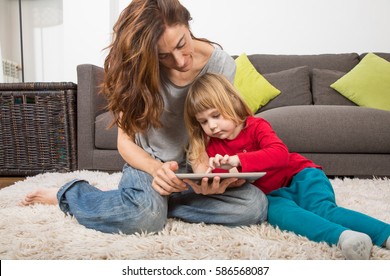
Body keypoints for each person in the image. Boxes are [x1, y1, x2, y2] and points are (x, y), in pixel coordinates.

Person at [21, 0, 267, 234]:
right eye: (163, 56)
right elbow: (125, 142)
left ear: (187, 23)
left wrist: (218, 175)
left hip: (195, 169)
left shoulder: (222, 65)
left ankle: (138, 202)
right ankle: (70, 193)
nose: (179, 61)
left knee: (253, 206)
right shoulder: (135, 72)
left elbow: (221, 134)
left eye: (182, 43)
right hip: (148, 166)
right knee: (144, 220)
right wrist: (156, 170)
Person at [183, 72, 390, 260]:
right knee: (283, 216)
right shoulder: (212, 146)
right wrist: (223, 172)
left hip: (301, 176)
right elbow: (226, 179)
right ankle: (345, 238)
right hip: (272, 195)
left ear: (231, 102)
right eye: (203, 121)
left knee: (322, 209)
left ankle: (386, 234)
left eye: (215, 115)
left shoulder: (256, 126)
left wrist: (238, 160)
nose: (211, 126)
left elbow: (279, 154)